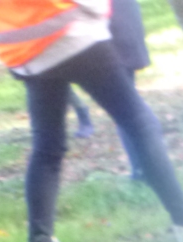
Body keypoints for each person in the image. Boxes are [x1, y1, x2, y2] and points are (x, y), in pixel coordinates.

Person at [0, 0, 183, 242]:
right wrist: (96, 11)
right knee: (140, 124)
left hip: (23, 49)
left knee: (47, 146)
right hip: (71, 33)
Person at [66, 0, 157, 180]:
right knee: (128, 107)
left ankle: (143, 170)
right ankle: (143, 169)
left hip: (107, 27)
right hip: (107, 26)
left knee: (128, 109)